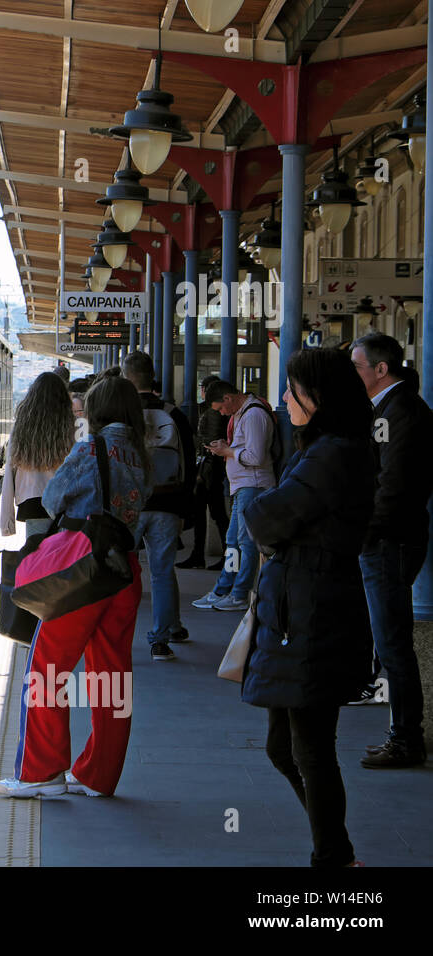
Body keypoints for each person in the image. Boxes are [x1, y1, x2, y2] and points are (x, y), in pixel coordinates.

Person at [242, 348, 375, 867]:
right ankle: (336, 849)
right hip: (300, 611)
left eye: (292, 388)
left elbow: (265, 518)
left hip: (313, 614)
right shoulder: (331, 449)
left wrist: (271, 528)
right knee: (286, 746)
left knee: (311, 747)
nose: (284, 398)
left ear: (316, 397)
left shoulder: (332, 454)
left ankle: (334, 858)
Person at [0, 377, 151, 798]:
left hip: (85, 568)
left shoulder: (90, 447)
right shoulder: (139, 453)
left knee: (47, 670)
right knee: (112, 676)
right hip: (125, 569)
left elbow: (54, 497)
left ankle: (41, 774)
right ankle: (98, 775)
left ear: (97, 409)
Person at [351, 333, 432, 768]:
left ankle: (406, 740)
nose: (352, 374)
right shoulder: (393, 409)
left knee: (394, 645)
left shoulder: (400, 412)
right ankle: (403, 736)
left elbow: (392, 487)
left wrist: (362, 532)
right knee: (390, 643)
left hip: (389, 541)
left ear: (381, 369)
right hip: (389, 538)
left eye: (357, 366)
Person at [122, 350, 196, 661]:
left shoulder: (121, 413)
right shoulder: (174, 413)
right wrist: (184, 509)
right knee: (163, 572)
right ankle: (162, 639)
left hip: (128, 504)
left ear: (126, 377)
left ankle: (118, 634)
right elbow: (189, 464)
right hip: (167, 502)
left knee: (124, 571)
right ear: (152, 376)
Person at [192, 379, 276, 612]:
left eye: (220, 408)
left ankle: (239, 592)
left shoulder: (253, 416)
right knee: (233, 541)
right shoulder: (242, 414)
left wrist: (227, 451)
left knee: (244, 542)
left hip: (253, 485)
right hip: (243, 485)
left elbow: (256, 456)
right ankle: (224, 588)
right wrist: (226, 446)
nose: (221, 413)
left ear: (227, 398)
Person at [0, 372, 76, 541]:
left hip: (32, 500)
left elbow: (10, 471)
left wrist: (7, 522)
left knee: (37, 558)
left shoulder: (22, 426)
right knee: (63, 558)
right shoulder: (73, 425)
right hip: (65, 502)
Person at [177, 374, 230, 570]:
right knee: (208, 514)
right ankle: (200, 554)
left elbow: (210, 442)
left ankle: (221, 556)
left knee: (215, 514)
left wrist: (202, 473)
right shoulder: (209, 411)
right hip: (209, 469)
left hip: (209, 471)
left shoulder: (213, 412)